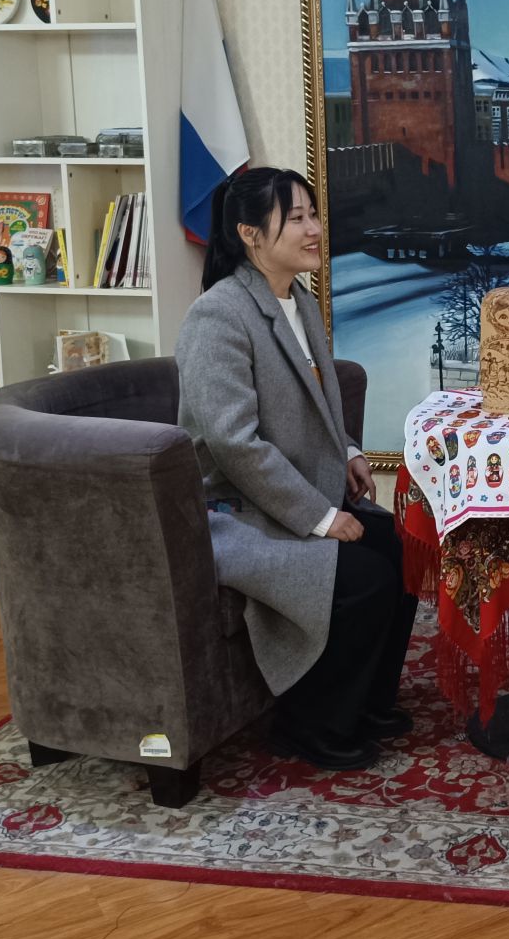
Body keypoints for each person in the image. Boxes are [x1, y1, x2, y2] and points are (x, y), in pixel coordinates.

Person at [175, 168, 418, 770]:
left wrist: (351, 451)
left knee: (403, 549)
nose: (315, 229)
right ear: (250, 234)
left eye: (314, 214)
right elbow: (234, 444)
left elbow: (319, 398)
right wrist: (321, 518)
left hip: (302, 491)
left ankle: (367, 703)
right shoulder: (217, 316)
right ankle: (308, 725)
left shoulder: (297, 300)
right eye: (298, 218)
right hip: (239, 513)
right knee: (366, 579)